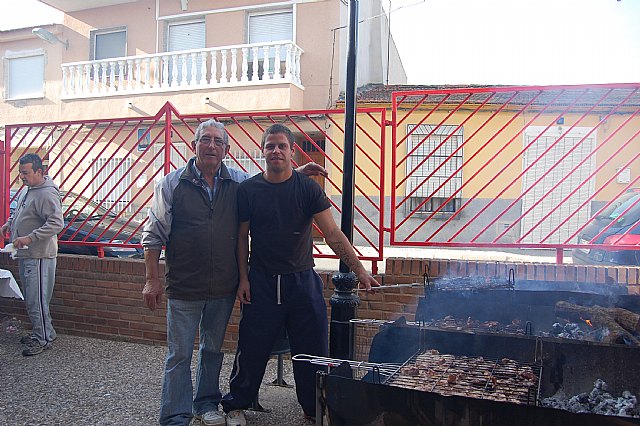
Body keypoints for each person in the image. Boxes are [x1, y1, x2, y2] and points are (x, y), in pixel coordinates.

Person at [142, 119, 326, 426]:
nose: (211, 146)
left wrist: (295, 174)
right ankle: (175, 415)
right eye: (205, 140)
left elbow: (269, 179)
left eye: (218, 141)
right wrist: (151, 279)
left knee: (212, 350)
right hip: (185, 285)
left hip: (222, 287)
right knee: (179, 355)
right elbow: (153, 234)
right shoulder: (171, 184)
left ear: (226, 149)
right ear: (194, 145)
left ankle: (205, 404)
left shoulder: (238, 181)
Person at [221, 124, 379, 426]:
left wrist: (360, 271)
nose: (276, 151)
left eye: (282, 146)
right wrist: (243, 278)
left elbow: (333, 233)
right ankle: (236, 405)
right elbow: (242, 238)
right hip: (261, 282)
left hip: (302, 281)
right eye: (270, 146)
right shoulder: (249, 190)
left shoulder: (308, 189)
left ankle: (314, 408)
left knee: (313, 350)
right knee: (251, 347)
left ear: (293, 152)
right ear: (263, 151)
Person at [1, 153, 64, 357]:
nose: (22, 176)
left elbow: (56, 223)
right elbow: (21, 212)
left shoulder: (46, 194)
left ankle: (43, 338)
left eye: (26, 172)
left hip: (39, 255)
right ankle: (44, 333)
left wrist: (29, 238)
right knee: (31, 297)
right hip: (27, 254)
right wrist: (10, 224)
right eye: (20, 172)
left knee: (37, 299)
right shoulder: (29, 190)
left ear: (39, 171)